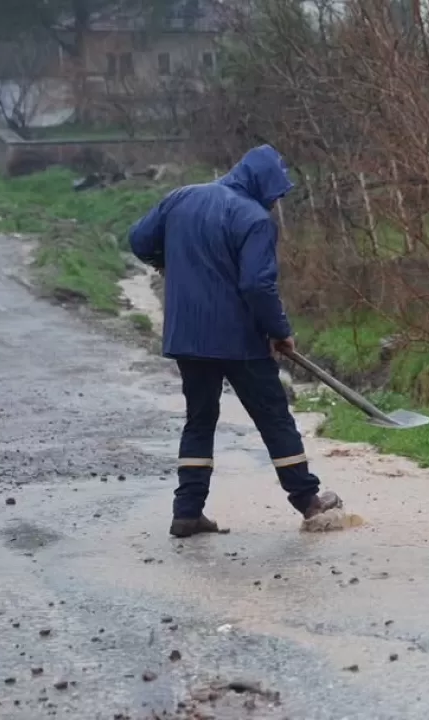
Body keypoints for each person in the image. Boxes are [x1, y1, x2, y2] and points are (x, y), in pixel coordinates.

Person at [129, 144, 343, 538]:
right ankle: (309, 504)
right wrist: (279, 330)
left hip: (188, 336)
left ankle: (186, 512)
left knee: (199, 420)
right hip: (239, 340)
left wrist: (166, 262)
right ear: (262, 183)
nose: (275, 202)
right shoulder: (255, 219)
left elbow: (139, 241)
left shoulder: (181, 198)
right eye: (275, 193)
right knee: (274, 417)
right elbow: (257, 285)